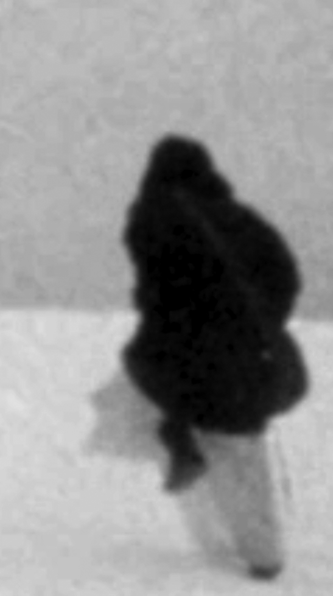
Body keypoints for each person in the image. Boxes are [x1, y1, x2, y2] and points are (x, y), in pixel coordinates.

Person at [120, 135, 308, 493]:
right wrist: (259, 326)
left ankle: (181, 444)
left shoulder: (157, 212)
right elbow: (285, 277)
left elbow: (159, 297)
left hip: (211, 385)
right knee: (201, 378)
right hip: (279, 375)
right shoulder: (242, 218)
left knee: (142, 363)